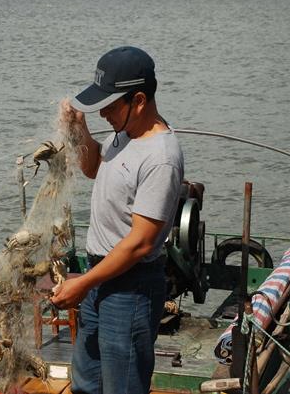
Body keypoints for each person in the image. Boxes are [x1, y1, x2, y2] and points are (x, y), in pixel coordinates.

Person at [51, 46, 184, 394]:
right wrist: (79, 129)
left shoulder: (160, 158)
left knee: (122, 386)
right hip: (101, 279)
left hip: (131, 288)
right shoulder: (126, 133)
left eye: (109, 106)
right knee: (86, 382)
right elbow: (94, 166)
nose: (104, 114)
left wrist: (82, 283)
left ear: (138, 100)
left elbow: (140, 243)